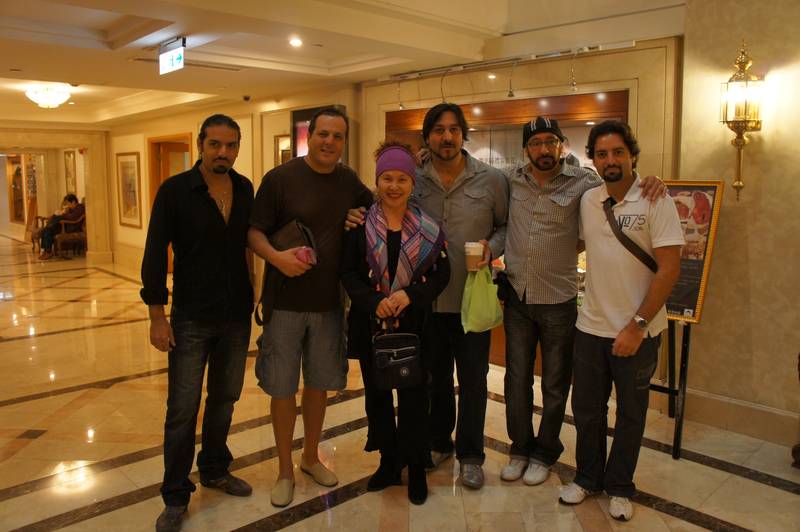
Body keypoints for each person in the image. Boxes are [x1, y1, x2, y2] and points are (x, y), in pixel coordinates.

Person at [500, 117, 665, 486]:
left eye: (551, 141)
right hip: (517, 297)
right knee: (516, 380)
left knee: (555, 384)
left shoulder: (585, 183)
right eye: (536, 143)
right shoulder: (509, 179)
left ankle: (545, 452)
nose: (544, 149)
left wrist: (653, 180)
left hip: (558, 300)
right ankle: (520, 448)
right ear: (526, 149)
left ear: (562, 145)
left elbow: (621, 183)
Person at [248, 107, 373, 508]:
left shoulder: (348, 180)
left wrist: (359, 214)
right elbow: (253, 232)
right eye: (323, 134)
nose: (329, 142)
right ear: (310, 135)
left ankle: (309, 457)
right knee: (283, 388)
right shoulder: (280, 179)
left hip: (329, 304)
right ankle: (284, 470)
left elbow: (377, 209)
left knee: (318, 385)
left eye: (337, 136)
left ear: (344, 141)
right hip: (284, 303)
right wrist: (277, 258)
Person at [558, 120, 683, 522]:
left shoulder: (656, 199)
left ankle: (620, 486)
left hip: (638, 331)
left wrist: (637, 325)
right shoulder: (588, 201)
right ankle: (587, 477)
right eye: (602, 154)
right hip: (590, 327)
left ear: (632, 155)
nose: (610, 160)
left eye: (618, 152)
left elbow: (670, 269)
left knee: (630, 414)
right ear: (593, 160)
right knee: (587, 410)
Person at [141, 114, 254, 532]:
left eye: (231, 145)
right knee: (183, 408)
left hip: (236, 314)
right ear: (201, 145)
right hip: (191, 316)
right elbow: (155, 253)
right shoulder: (175, 191)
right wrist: (157, 316)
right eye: (215, 144)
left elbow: (247, 245)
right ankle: (175, 494)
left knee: (225, 397)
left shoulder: (244, 187)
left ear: (237, 148)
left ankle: (215, 468)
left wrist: (256, 293)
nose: (223, 152)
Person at [341, 142, 450, 505]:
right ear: (377, 181)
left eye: (402, 179)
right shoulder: (359, 226)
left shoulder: (428, 227)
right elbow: (348, 273)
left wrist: (410, 296)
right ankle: (389, 462)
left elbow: (442, 274)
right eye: (387, 178)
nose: (394, 186)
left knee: (415, 399)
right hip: (370, 324)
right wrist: (375, 302)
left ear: (412, 183)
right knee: (378, 398)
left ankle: (415, 467)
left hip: (415, 326)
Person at [415, 103, 508, 490]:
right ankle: (439, 442)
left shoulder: (491, 180)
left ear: (463, 134)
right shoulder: (414, 179)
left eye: (454, 129)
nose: (447, 136)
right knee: (434, 377)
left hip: (472, 299)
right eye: (438, 130)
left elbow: (505, 226)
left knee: (473, 380)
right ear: (427, 137)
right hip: (429, 300)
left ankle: (471, 455)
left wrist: (492, 247)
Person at [38, 194, 84, 260]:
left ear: (73, 202)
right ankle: (45, 251)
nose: (67, 205)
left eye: (68, 203)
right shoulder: (70, 209)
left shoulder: (80, 208)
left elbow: (73, 218)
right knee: (46, 230)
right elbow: (68, 216)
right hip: (64, 226)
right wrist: (62, 213)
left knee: (50, 227)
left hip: (71, 227)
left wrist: (63, 213)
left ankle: (48, 252)